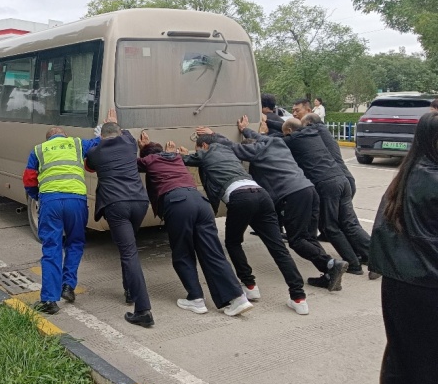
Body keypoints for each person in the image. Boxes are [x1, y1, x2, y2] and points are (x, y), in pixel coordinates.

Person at [198, 118, 349, 291]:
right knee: (307, 238)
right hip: (309, 190)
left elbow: (232, 147)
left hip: (293, 194)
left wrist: (213, 135)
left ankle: (331, 263)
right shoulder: (277, 143)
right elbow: (258, 136)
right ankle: (329, 273)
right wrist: (245, 130)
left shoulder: (257, 152)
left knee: (297, 240)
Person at [180, 134, 309, 315]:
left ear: (204, 146)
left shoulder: (207, 152)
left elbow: (182, 160)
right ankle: (299, 298)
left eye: (198, 148)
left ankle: (249, 285)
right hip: (261, 194)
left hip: (240, 197)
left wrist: (178, 153)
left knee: (233, 243)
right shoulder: (229, 151)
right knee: (278, 248)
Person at [136, 133, 253, 317]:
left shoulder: (149, 160)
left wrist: (142, 149)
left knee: (183, 252)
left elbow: (128, 162)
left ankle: (196, 299)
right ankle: (238, 297)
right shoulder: (176, 158)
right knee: (213, 251)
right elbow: (167, 156)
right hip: (201, 202)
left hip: (178, 203)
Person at [369, 112, 438, 384]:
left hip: (400, 281)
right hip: (428, 282)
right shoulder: (432, 178)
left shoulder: (407, 174)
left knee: (399, 349)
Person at [23, 125, 101, 315]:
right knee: (75, 242)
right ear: (64, 136)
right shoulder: (76, 143)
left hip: (50, 202)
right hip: (76, 201)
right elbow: (98, 144)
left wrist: (38, 196)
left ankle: (49, 300)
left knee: (52, 247)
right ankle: (68, 285)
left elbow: (29, 179)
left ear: (48, 139)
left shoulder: (38, 150)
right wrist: (101, 132)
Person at [85, 112, 153, 327]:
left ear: (101, 136)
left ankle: (143, 310)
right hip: (139, 202)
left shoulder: (95, 152)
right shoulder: (130, 144)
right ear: (119, 133)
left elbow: (89, 166)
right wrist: (114, 123)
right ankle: (130, 291)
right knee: (129, 248)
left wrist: (99, 138)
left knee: (129, 252)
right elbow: (125, 133)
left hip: (116, 205)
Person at [281, 118, 371, 275]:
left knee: (330, 227)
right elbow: (293, 126)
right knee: (349, 223)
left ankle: (353, 264)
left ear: (288, 131)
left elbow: (272, 142)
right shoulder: (313, 133)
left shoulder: (292, 140)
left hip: (326, 185)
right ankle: (373, 258)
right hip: (342, 180)